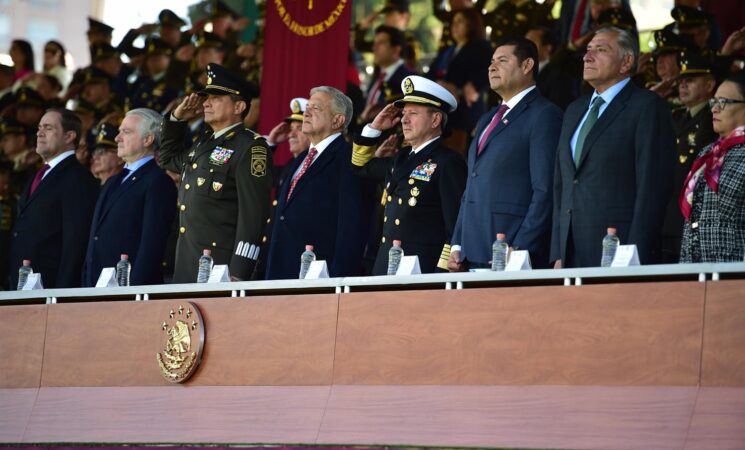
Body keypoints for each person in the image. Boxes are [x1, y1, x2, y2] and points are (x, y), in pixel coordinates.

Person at [551, 26, 676, 268]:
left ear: (626, 61)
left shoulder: (646, 107)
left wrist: (634, 253)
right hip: (570, 251)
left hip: (618, 249)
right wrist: (558, 250)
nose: (588, 56)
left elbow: (653, 186)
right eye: (587, 50)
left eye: (601, 49)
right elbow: (562, 184)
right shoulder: (574, 110)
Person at [448, 37, 563, 270]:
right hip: (471, 253)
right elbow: (471, 186)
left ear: (527, 65)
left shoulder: (544, 115)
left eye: (502, 60)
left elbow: (544, 189)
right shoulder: (486, 119)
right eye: (491, 62)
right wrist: (457, 245)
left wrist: (522, 247)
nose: (492, 67)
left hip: (511, 252)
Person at [159, 63, 272, 283]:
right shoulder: (202, 143)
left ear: (239, 107)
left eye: (216, 98)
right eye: (207, 97)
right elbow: (168, 159)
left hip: (221, 269)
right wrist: (177, 119)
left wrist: (239, 271)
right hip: (187, 263)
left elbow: (253, 216)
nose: (206, 102)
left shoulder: (250, 147)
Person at [353, 75, 467, 274]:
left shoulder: (448, 162)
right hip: (386, 266)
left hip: (421, 270)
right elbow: (360, 167)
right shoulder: (401, 158)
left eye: (413, 113)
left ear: (435, 119)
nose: (404, 119)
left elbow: (456, 224)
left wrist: (441, 274)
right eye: (404, 113)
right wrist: (374, 128)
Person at [264, 86, 374, 280]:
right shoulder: (299, 161)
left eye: (316, 108)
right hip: (279, 274)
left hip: (317, 279)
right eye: (309, 107)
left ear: (337, 120)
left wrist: (338, 280)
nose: (307, 112)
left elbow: (352, 226)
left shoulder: (348, 159)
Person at [83, 108, 177, 287]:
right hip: (96, 289)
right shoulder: (112, 181)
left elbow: (152, 244)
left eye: (126, 132)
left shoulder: (158, 182)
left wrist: (133, 290)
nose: (117, 138)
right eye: (119, 132)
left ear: (148, 139)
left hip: (128, 291)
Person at [7, 108, 98, 289]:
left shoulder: (77, 179)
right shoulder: (38, 176)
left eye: (48, 128)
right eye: (40, 127)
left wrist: (62, 293)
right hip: (22, 285)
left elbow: (75, 242)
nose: (39, 132)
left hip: (50, 288)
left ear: (69, 136)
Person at [679, 71, 745, 262]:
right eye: (713, 102)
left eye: (723, 102)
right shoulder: (708, 153)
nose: (714, 109)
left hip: (733, 275)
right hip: (694, 272)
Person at [660, 51, 718, 263]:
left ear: (710, 84)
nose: (683, 85)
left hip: (692, 216)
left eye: (691, 80)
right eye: (681, 81)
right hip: (669, 216)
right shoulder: (674, 117)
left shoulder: (713, 118)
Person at [427, 8, 492, 155]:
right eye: (453, 22)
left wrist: (474, 86)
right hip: (444, 114)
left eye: (460, 22)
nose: (454, 26)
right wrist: (442, 85)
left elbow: (491, 70)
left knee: (459, 158)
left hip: (466, 114)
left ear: (472, 24)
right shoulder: (449, 50)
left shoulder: (481, 47)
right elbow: (430, 74)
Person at [359, 25, 416, 126]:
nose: (374, 48)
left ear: (396, 50)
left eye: (381, 43)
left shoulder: (409, 79)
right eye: (374, 43)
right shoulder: (378, 76)